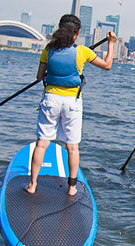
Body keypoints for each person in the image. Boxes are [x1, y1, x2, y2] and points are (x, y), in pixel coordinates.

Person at [25, 14, 117, 196]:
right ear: (77, 33)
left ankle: (33, 185)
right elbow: (107, 65)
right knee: (72, 147)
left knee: (42, 144)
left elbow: (39, 77)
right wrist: (111, 43)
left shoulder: (49, 49)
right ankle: (72, 188)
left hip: (50, 99)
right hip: (72, 103)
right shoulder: (82, 51)